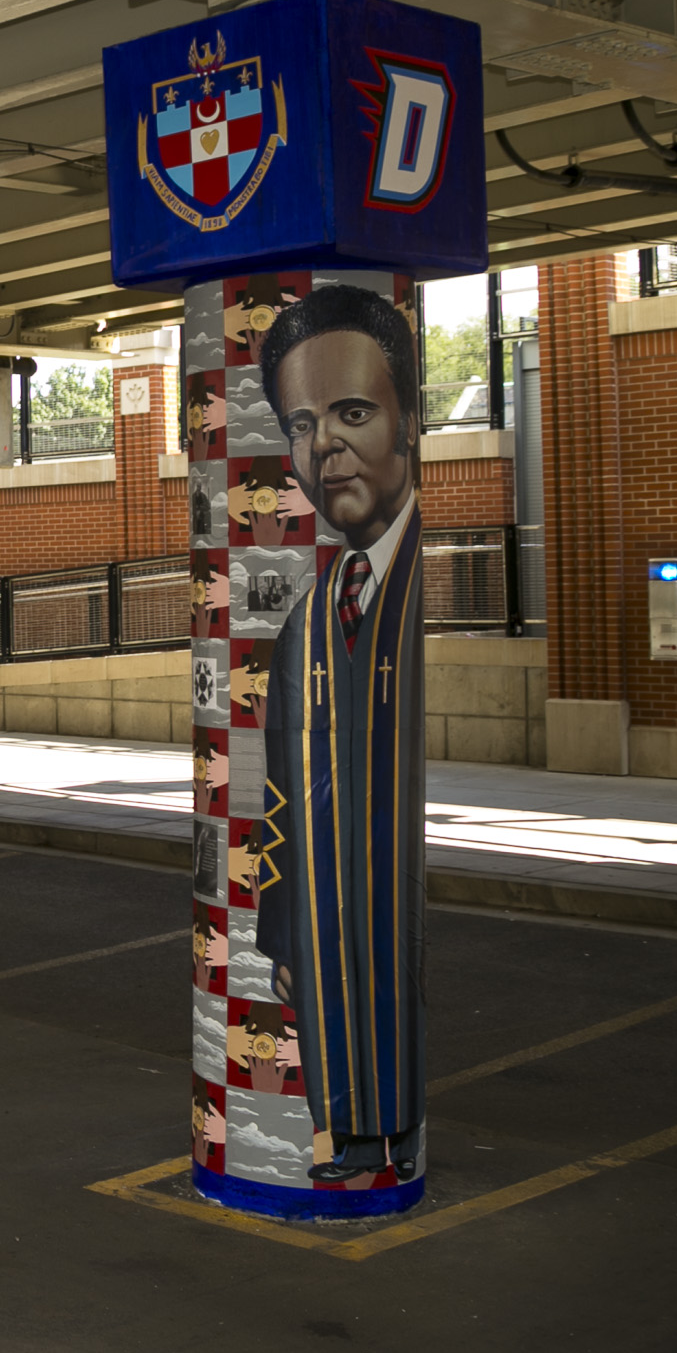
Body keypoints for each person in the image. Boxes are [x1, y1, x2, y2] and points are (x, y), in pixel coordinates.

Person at [252, 284, 426, 1185]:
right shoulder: (308, 623)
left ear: (410, 417)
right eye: (302, 423)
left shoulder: (421, 595)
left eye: (353, 412)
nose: (326, 448)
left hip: (388, 892)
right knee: (330, 997)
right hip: (321, 905)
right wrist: (280, 935)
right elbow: (279, 793)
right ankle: (349, 1139)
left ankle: (396, 1134)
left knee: (390, 990)